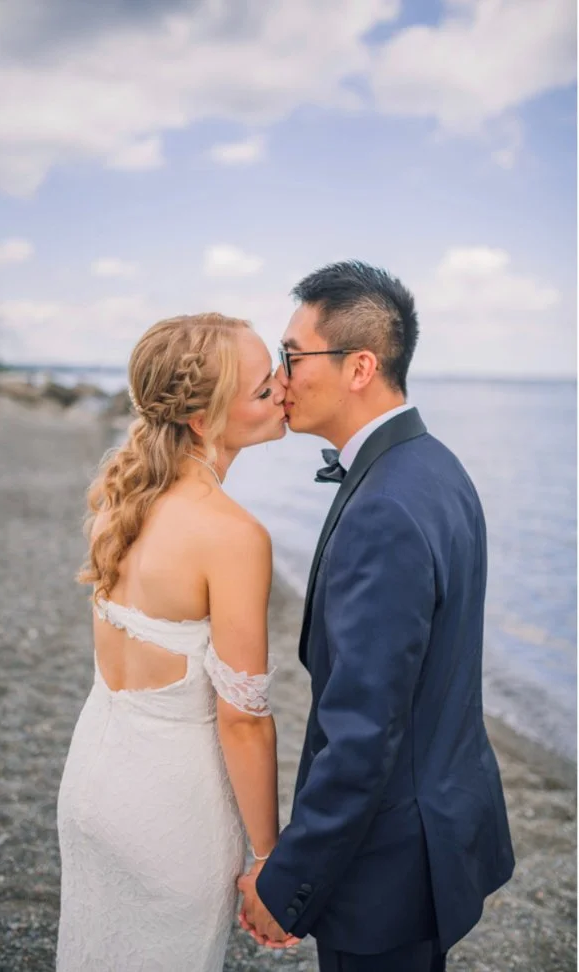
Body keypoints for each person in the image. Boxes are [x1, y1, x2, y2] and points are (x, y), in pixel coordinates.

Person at [238, 261, 515, 972]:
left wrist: (289, 880)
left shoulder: (386, 507)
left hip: (391, 861)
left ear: (360, 366)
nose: (280, 377)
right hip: (437, 832)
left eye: (293, 356)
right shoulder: (435, 465)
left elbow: (363, 731)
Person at [56, 312, 297, 971]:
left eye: (276, 366)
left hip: (91, 787)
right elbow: (244, 721)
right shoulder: (233, 536)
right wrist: (271, 859)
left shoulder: (121, 494)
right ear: (202, 417)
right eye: (261, 386)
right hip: (172, 812)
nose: (283, 386)